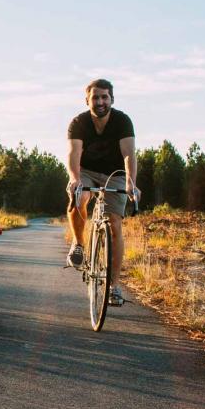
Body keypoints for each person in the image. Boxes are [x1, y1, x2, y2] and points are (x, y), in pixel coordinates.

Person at [66, 78, 139, 306]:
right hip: (85, 170)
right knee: (81, 196)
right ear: (87, 100)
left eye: (104, 97)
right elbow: (73, 154)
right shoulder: (78, 122)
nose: (100, 101)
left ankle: (114, 287)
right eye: (95, 97)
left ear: (112, 99)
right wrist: (75, 179)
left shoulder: (122, 121)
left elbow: (128, 154)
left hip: (115, 173)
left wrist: (131, 182)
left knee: (115, 223)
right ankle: (79, 243)